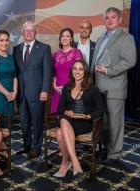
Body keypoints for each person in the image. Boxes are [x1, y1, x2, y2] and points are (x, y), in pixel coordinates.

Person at [90, 7, 136, 166]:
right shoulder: (101, 38)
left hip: (115, 88)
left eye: (113, 17)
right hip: (98, 89)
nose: (109, 20)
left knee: (115, 123)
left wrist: (110, 71)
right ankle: (105, 149)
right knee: (102, 122)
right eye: (107, 18)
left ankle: (115, 154)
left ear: (119, 20)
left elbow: (130, 61)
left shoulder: (126, 38)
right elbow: (94, 63)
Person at [53, 60, 104, 178]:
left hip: (84, 122)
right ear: (72, 71)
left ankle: (67, 163)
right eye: (75, 69)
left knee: (60, 131)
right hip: (68, 120)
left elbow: (100, 110)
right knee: (63, 122)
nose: (77, 72)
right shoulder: (67, 87)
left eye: (80, 69)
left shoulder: (93, 89)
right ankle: (73, 161)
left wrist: (88, 116)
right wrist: (67, 112)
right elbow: (60, 108)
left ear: (85, 72)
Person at [13, 21, 53, 158]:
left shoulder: (43, 48)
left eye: (31, 30)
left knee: (36, 121)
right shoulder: (16, 49)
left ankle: (36, 147)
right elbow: (17, 71)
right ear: (22, 32)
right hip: (21, 93)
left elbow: (48, 71)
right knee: (24, 121)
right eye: (26, 30)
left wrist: (45, 90)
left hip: (37, 92)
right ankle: (26, 144)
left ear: (35, 32)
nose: (28, 33)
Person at [51, 28, 83, 113]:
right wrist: (55, 86)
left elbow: (79, 73)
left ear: (71, 38)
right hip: (57, 90)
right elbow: (53, 73)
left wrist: (67, 87)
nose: (64, 38)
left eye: (67, 36)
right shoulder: (56, 54)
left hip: (71, 89)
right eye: (62, 36)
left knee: (69, 116)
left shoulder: (77, 52)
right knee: (57, 117)